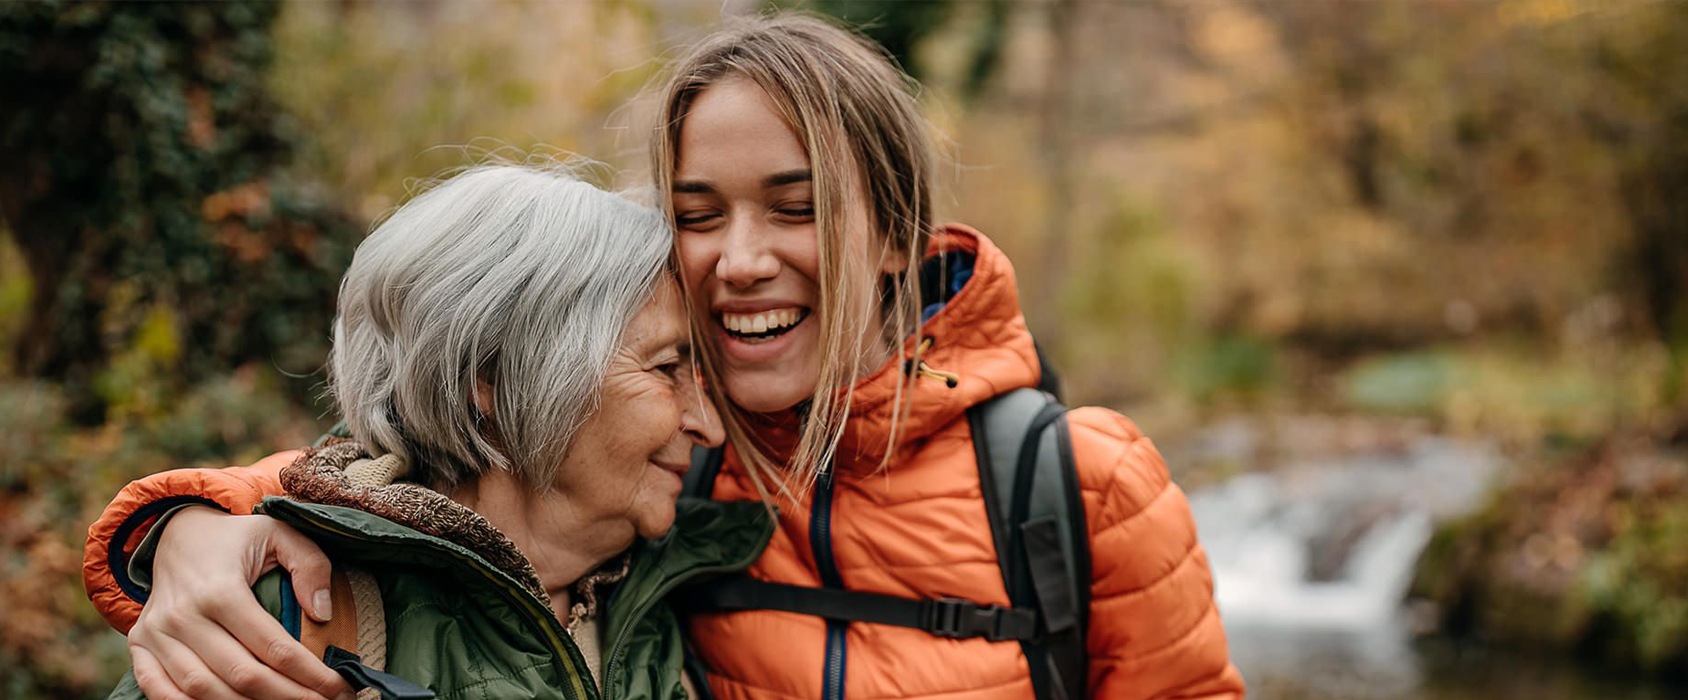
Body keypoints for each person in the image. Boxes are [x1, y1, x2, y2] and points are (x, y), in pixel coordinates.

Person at [83, 13, 1244, 700]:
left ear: (894, 231)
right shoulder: (669, 468)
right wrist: (193, 521)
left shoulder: (1073, 483)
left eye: (794, 208)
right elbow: (436, 472)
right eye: (698, 212)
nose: (739, 260)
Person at [98, 163, 771, 700]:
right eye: (666, 368)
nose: (708, 425)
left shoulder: (671, 597)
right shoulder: (285, 620)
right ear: (496, 381)